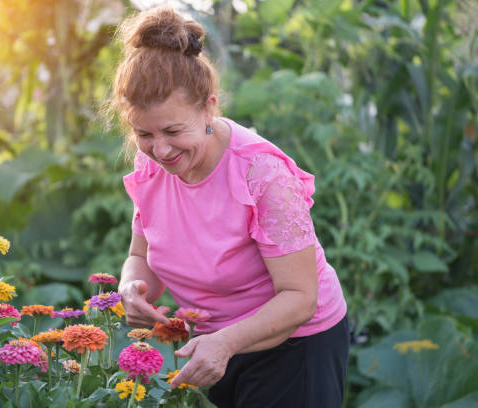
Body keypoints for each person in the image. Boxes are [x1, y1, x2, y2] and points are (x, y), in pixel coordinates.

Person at [111, 6, 349, 408]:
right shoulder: (151, 164)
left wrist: (225, 343)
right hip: (215, 346)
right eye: (143, 134)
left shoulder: (262, 175)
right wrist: (131, 288)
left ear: (209, 107)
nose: (161, 149)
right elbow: (141, 255)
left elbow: (300, 295)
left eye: (173, 131)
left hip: (295, 345)